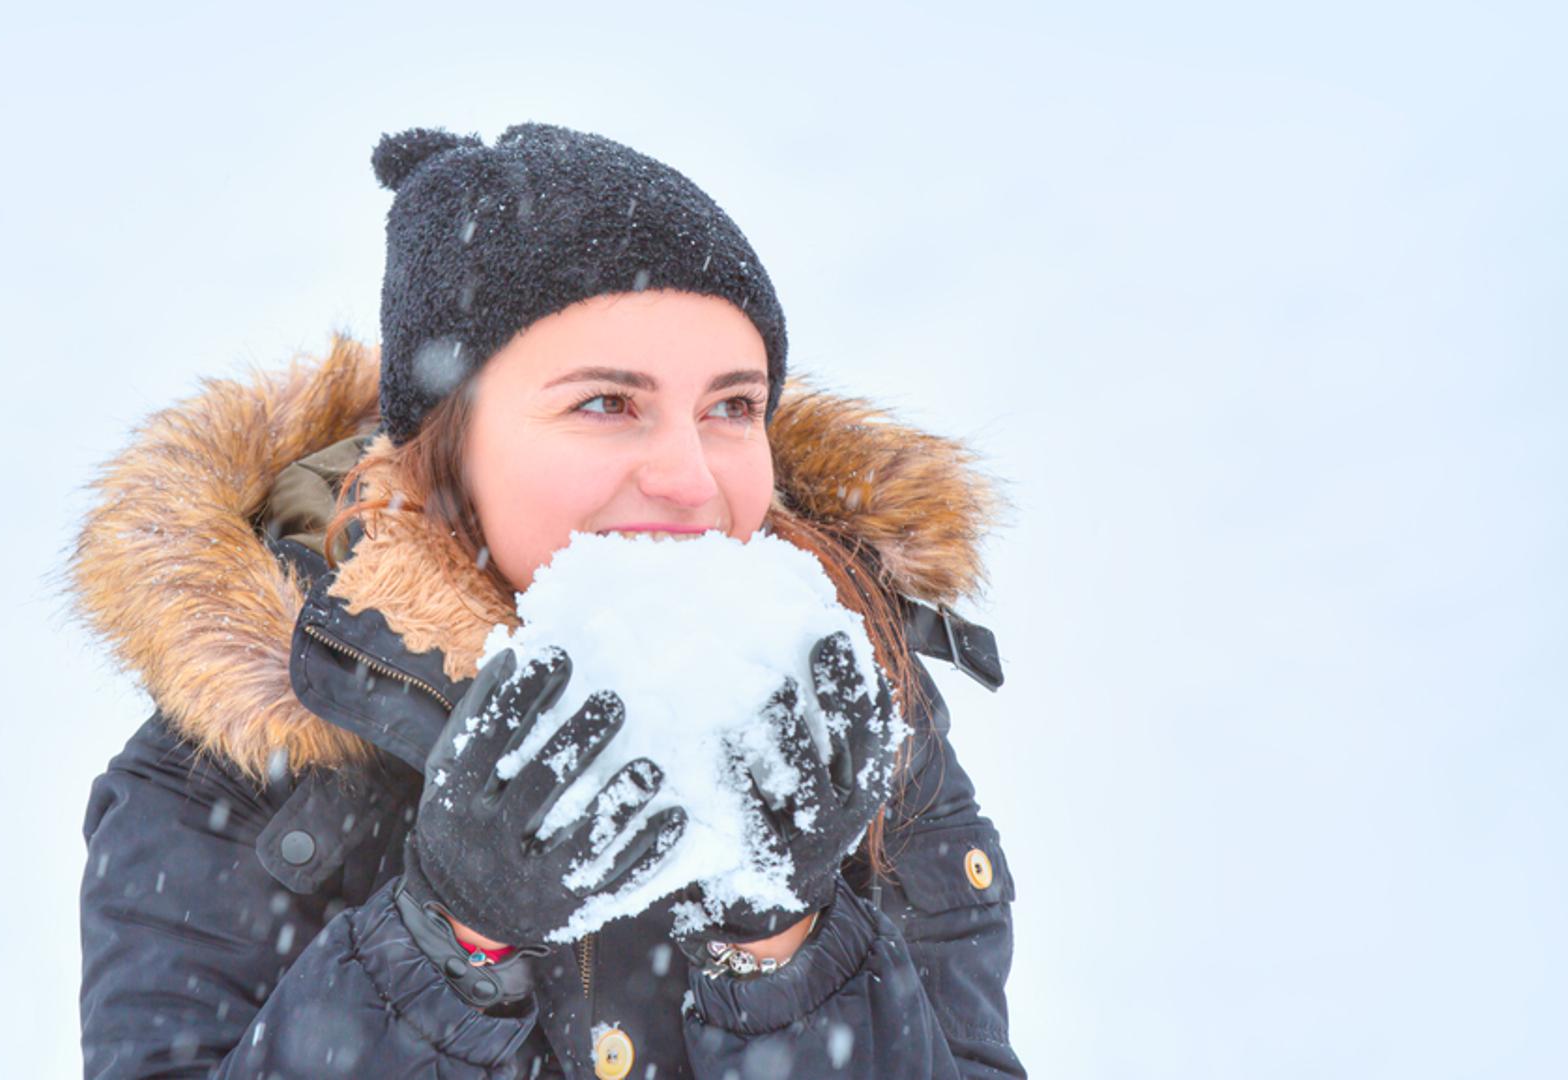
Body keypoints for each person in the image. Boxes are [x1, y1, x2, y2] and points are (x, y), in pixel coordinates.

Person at [69, 122, 1025, 1079]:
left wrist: (780, 952)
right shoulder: (244, 758)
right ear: (444, 450)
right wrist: (450, 945)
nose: (692, 480)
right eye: (607, 403)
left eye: (733, 406)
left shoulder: (858, 699)